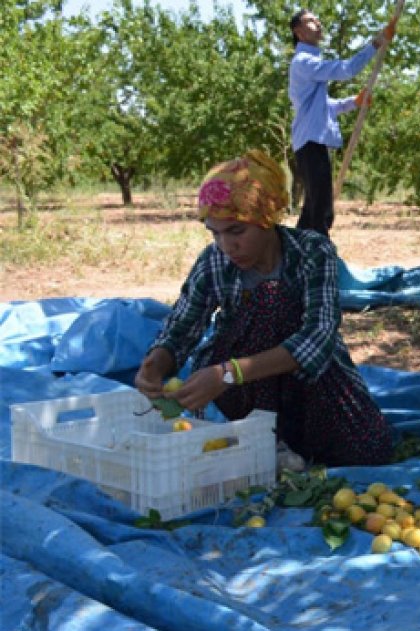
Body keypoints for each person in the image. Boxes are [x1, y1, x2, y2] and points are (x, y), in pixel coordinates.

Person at [135, 151, 393, 470]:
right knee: (262, 304)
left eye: (236, 231)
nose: (226, 246)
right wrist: (157, 362)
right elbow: (182, 327)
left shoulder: (311, 252)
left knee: (369, 452)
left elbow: (319, 335)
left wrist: (229, 373)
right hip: (245, 394)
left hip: (311, 385)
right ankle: (266, 440)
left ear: (266, 219)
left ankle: (287, 440)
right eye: (215, 233)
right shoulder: (214, 262)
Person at [288, 10, 393, 236]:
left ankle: (297, 256)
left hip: (310, 142)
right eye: (311, 21)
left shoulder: (309, 62)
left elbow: (326, 107)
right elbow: (346, 70)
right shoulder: (304, 62)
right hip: (311, 142)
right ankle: (319, 257)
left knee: (312, 210)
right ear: (298, 31)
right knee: (322, 211)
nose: (318, 23)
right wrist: (376, 44)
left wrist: (354, 102)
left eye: (318, 19)